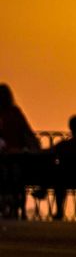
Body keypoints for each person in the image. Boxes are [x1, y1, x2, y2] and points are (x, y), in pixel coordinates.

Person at [0, 83, 40, 219]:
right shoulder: (15, 113)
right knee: (14, 173)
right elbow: (28, 134)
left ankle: (10, 203)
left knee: (12, 172)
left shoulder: (14, 114)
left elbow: (26, 134)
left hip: (14, 157)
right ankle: (14, 204)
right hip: (15, 157)